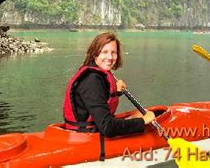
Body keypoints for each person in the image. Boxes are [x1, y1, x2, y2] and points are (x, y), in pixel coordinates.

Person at [63, 32, 155, 160]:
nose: (110, 57)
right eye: (104, 52)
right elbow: (107, 128)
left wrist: (115, 91)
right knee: (140, 117)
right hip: (87, 140)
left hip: (87, 132)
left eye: (114, 52)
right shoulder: (92, 81)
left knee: (135, 115)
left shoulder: (96, 75)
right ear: (95, 53)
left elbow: (96, 101)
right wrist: (142, 122)